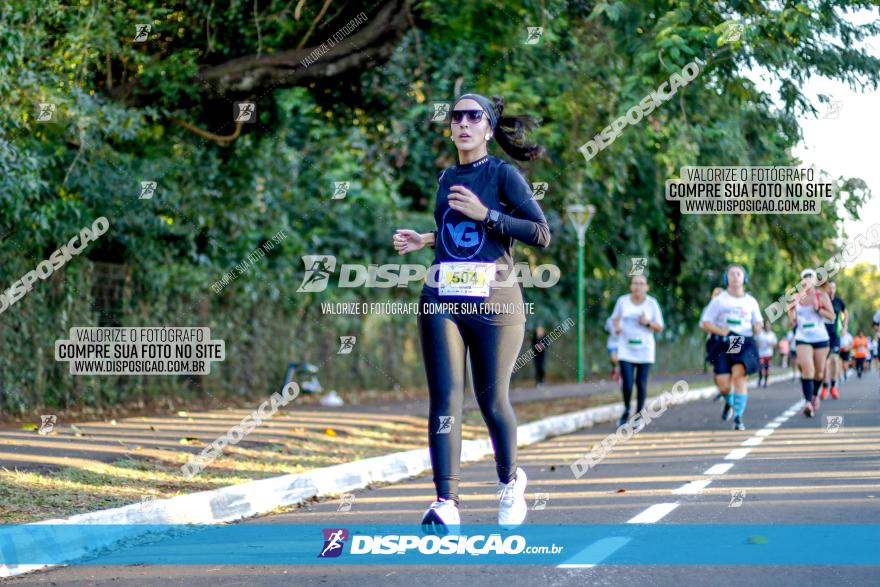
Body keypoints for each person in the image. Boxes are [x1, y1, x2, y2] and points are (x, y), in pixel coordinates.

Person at [393, 92, 550, 532]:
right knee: (445, 398)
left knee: (491, 401)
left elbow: (540, 233)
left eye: (473, 116)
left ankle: (510, 480)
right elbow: (454, 228)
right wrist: (425, 240)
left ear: (488, 126)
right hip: (442, 295)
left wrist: (487, 215)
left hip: (495, 304)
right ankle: (446, 502)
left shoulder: (504, 175)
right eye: (456, 116)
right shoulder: (446, 177)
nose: (463, 123)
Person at [701, 264, 762, 431]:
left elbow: (758, 322)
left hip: (742, 340)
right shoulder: (720, 300)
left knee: (739, 376)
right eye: (732, 274)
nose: (735, 277)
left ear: (744, 278)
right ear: (727, 278)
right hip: (723, 340)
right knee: (724, 384)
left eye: (739, 274)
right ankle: (729, 402)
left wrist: (758, 327)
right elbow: (705, 323)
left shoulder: (750, 301)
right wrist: (720, 330)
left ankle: (738, 417)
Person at [610, 274, 664, 430]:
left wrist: (647, 323)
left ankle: (639, 416)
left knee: (641, 383)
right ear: (630, 286)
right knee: (627, 383)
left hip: (645, 350)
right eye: (635, 283)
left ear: (647, 287)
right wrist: (617, 327)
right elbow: (614, 319)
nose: (638, 286)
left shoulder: (652, 304)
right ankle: (626, 409)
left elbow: (660, 327)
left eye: (641, 283)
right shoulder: (622, 301)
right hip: (626, 348)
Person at [788, 269, 835, 417]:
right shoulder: (795, 296)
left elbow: (832, 316)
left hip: (821, 338)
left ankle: (815, 395)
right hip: (803, 337)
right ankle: (808, 402)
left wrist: (818, 309)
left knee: (819, 372)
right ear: (801, 280)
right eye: (804, 277)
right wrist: (792, 318)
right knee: (808, 369)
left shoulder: (822, 296)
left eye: (810, 277)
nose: (807, 279)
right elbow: (791, 313)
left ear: (815, 280)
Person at [820, 280, 846, 400]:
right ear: (826, 289)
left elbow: (846, 313)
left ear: (835, 289)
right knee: (825, 361)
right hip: (822, 334)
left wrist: (845, 326)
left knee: (835, 360)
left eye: (833, 288)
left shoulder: (838, 302)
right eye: (829, 288)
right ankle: (825, 386)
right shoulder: (822, 300)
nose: (831, 290)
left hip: (835, 334)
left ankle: (833, 387)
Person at [755, 320, 778, 387]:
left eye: (768, 325)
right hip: (761, 354)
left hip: (768, 354)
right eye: (766, 325)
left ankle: (765, 381)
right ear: (764, 326)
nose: (767, 326)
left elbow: (775, 343)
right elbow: (755, 342)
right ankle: (760, 378)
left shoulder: (772, 334)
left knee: (767, 368)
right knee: (760, 367)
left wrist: (771, 344)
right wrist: (758, 345)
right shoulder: (760, 333)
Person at [605, 315, 620, 382]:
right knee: (614, 359)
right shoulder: (609, 320)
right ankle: (614, 369)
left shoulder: (625, 318)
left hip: (622, 343)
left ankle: (619, 374)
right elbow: (606, 329)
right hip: (612, 343)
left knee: (621, 360)